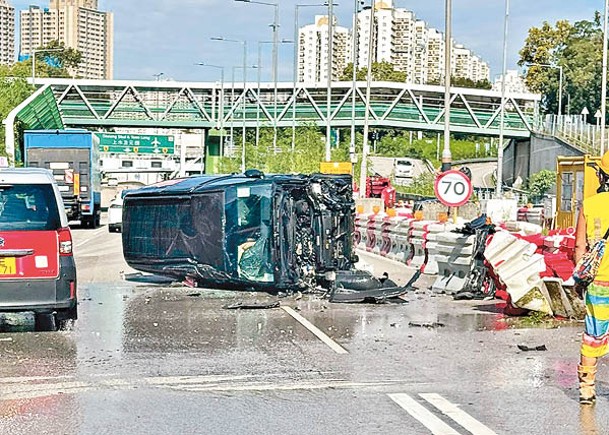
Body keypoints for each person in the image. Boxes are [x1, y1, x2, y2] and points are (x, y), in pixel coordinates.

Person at [574, 150, 609, 405]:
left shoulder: (589, 204)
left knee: (594, 335)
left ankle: (587, 387)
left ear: (602, 176)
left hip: (598, 283)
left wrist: (580, 280)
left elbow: (579, 249)